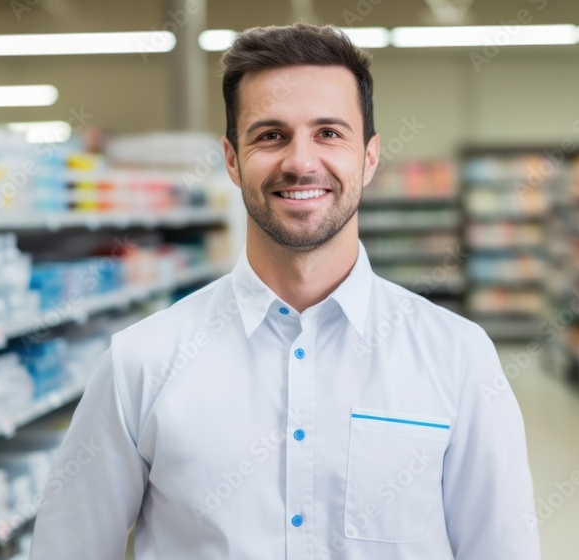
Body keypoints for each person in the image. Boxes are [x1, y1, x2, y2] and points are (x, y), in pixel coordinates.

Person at [30, 22, 540, 559]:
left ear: (369, 157)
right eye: (270, 135)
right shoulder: (142, 363)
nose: (300, 161)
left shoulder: (458, 359)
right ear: (232, 159)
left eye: (329, 133)